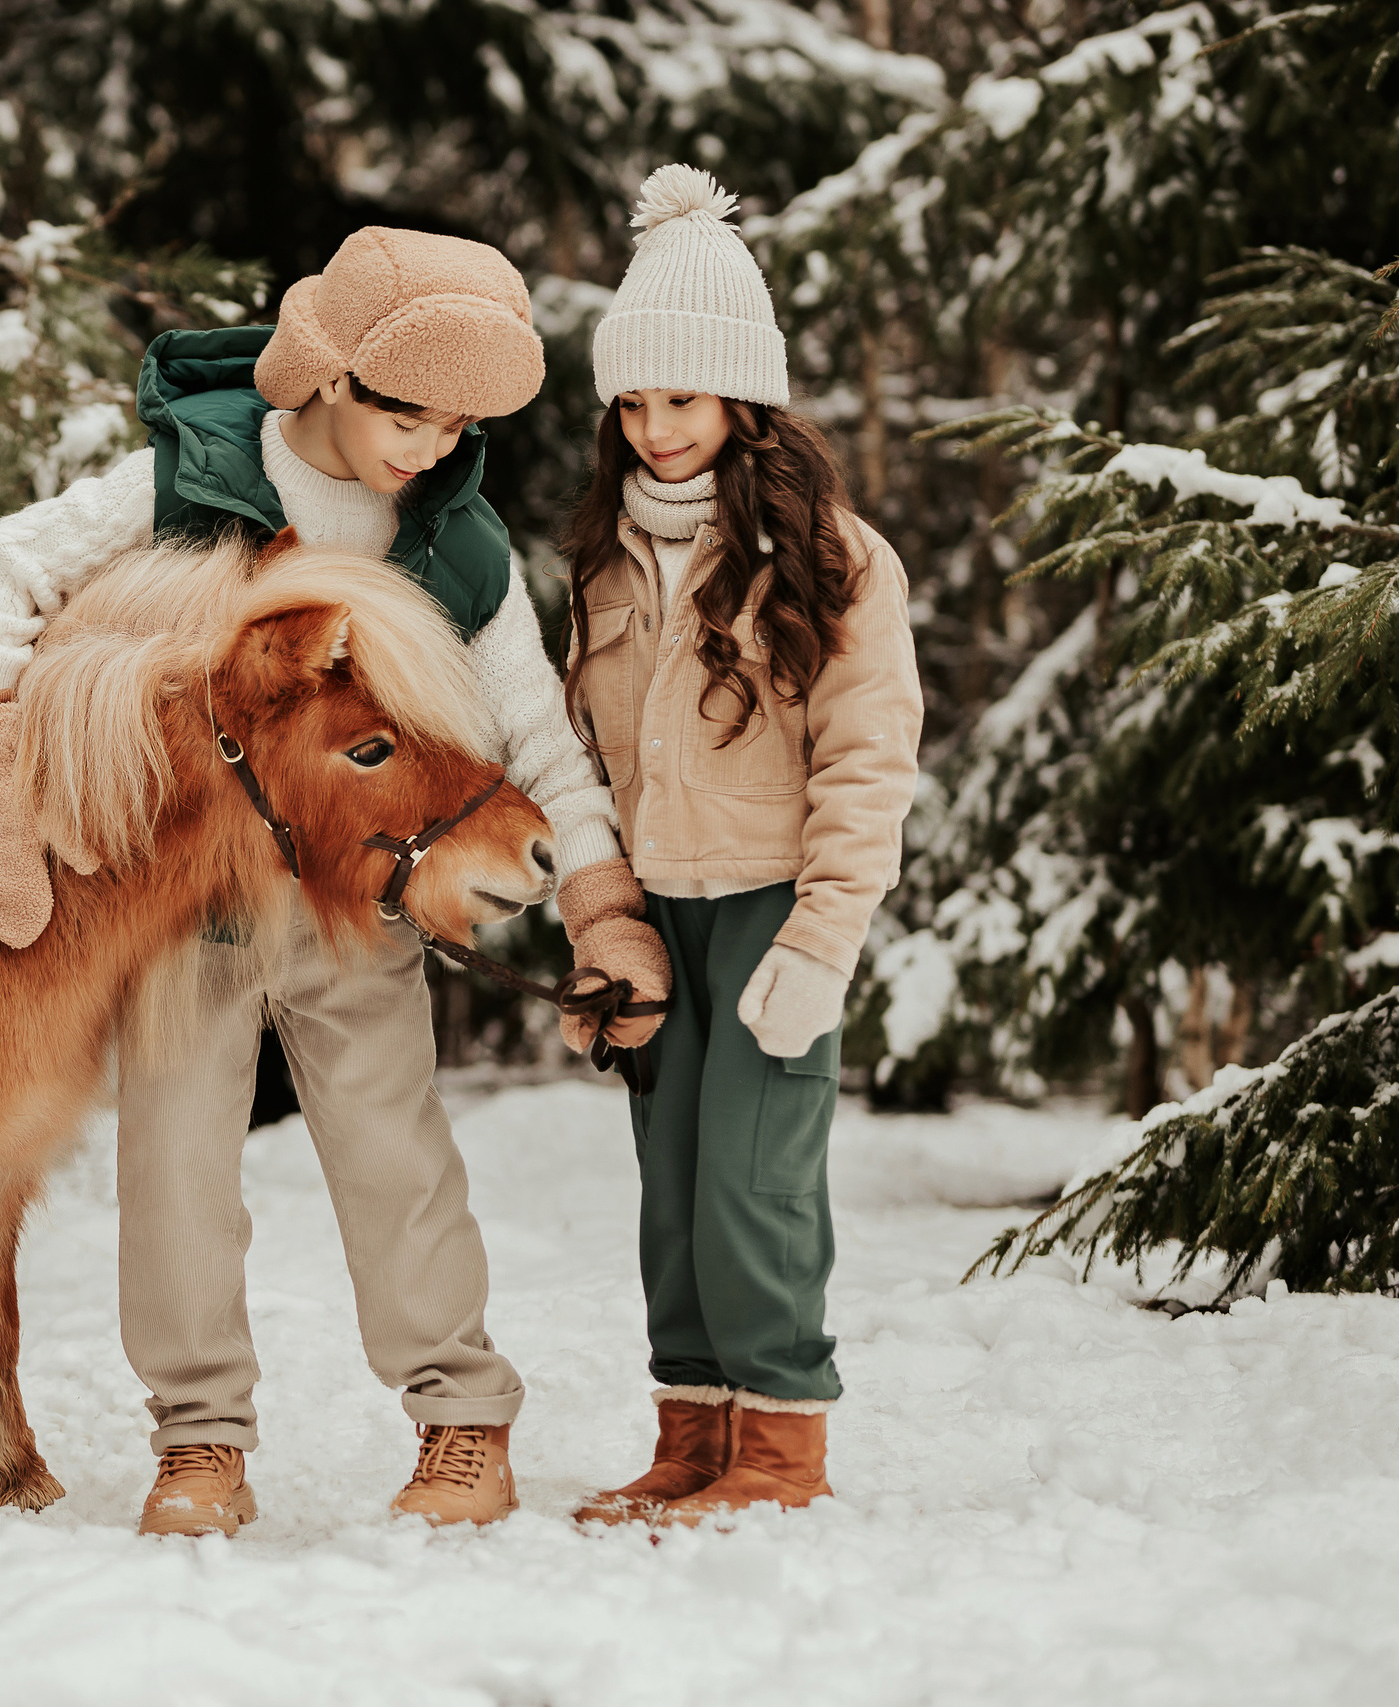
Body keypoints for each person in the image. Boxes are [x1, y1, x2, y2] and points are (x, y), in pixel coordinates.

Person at [0, 228, 670, 1535]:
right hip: (184, 905)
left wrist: (600, 902)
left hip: (356, 908)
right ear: (328, 371)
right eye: (406, 409)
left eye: (458, 422)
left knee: (396, 1156)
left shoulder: (454, 541)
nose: (429, 444)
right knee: (173, 1172)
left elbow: (540, 739)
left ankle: (463, 1425)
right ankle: (199, 1445)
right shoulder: (179, 480)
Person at [559, 166, 923, 1530]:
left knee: (750, 1189)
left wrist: (825, 940)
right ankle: (692, 1433)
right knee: (670, 1197)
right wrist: (601, 926)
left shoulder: (832, 559)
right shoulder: (599, 564)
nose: (656, 429)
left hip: (775, 912)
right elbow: (586, 763)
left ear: (744, 402)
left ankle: (779, 1449)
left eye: (684, 400)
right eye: (634, 402)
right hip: (661, 915)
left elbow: (871, 759)